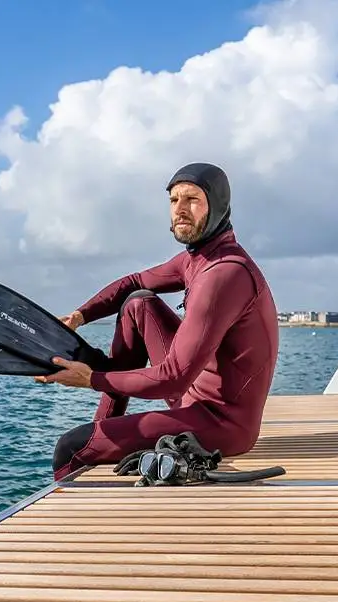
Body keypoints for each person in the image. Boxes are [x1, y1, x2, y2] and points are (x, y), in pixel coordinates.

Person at [37, 162, 280, 481]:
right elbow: (134, 281)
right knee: (137, 303)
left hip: (222, 423)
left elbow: (173, 379)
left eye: (192, 199)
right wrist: (80, 316)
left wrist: (91, 379)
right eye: (173, 200)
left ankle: (86, 480)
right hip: (193, 396)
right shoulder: (196, 259)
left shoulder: (224, 273)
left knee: (70, 447)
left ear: (217, 206)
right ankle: (103, 431)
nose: (180, 209)